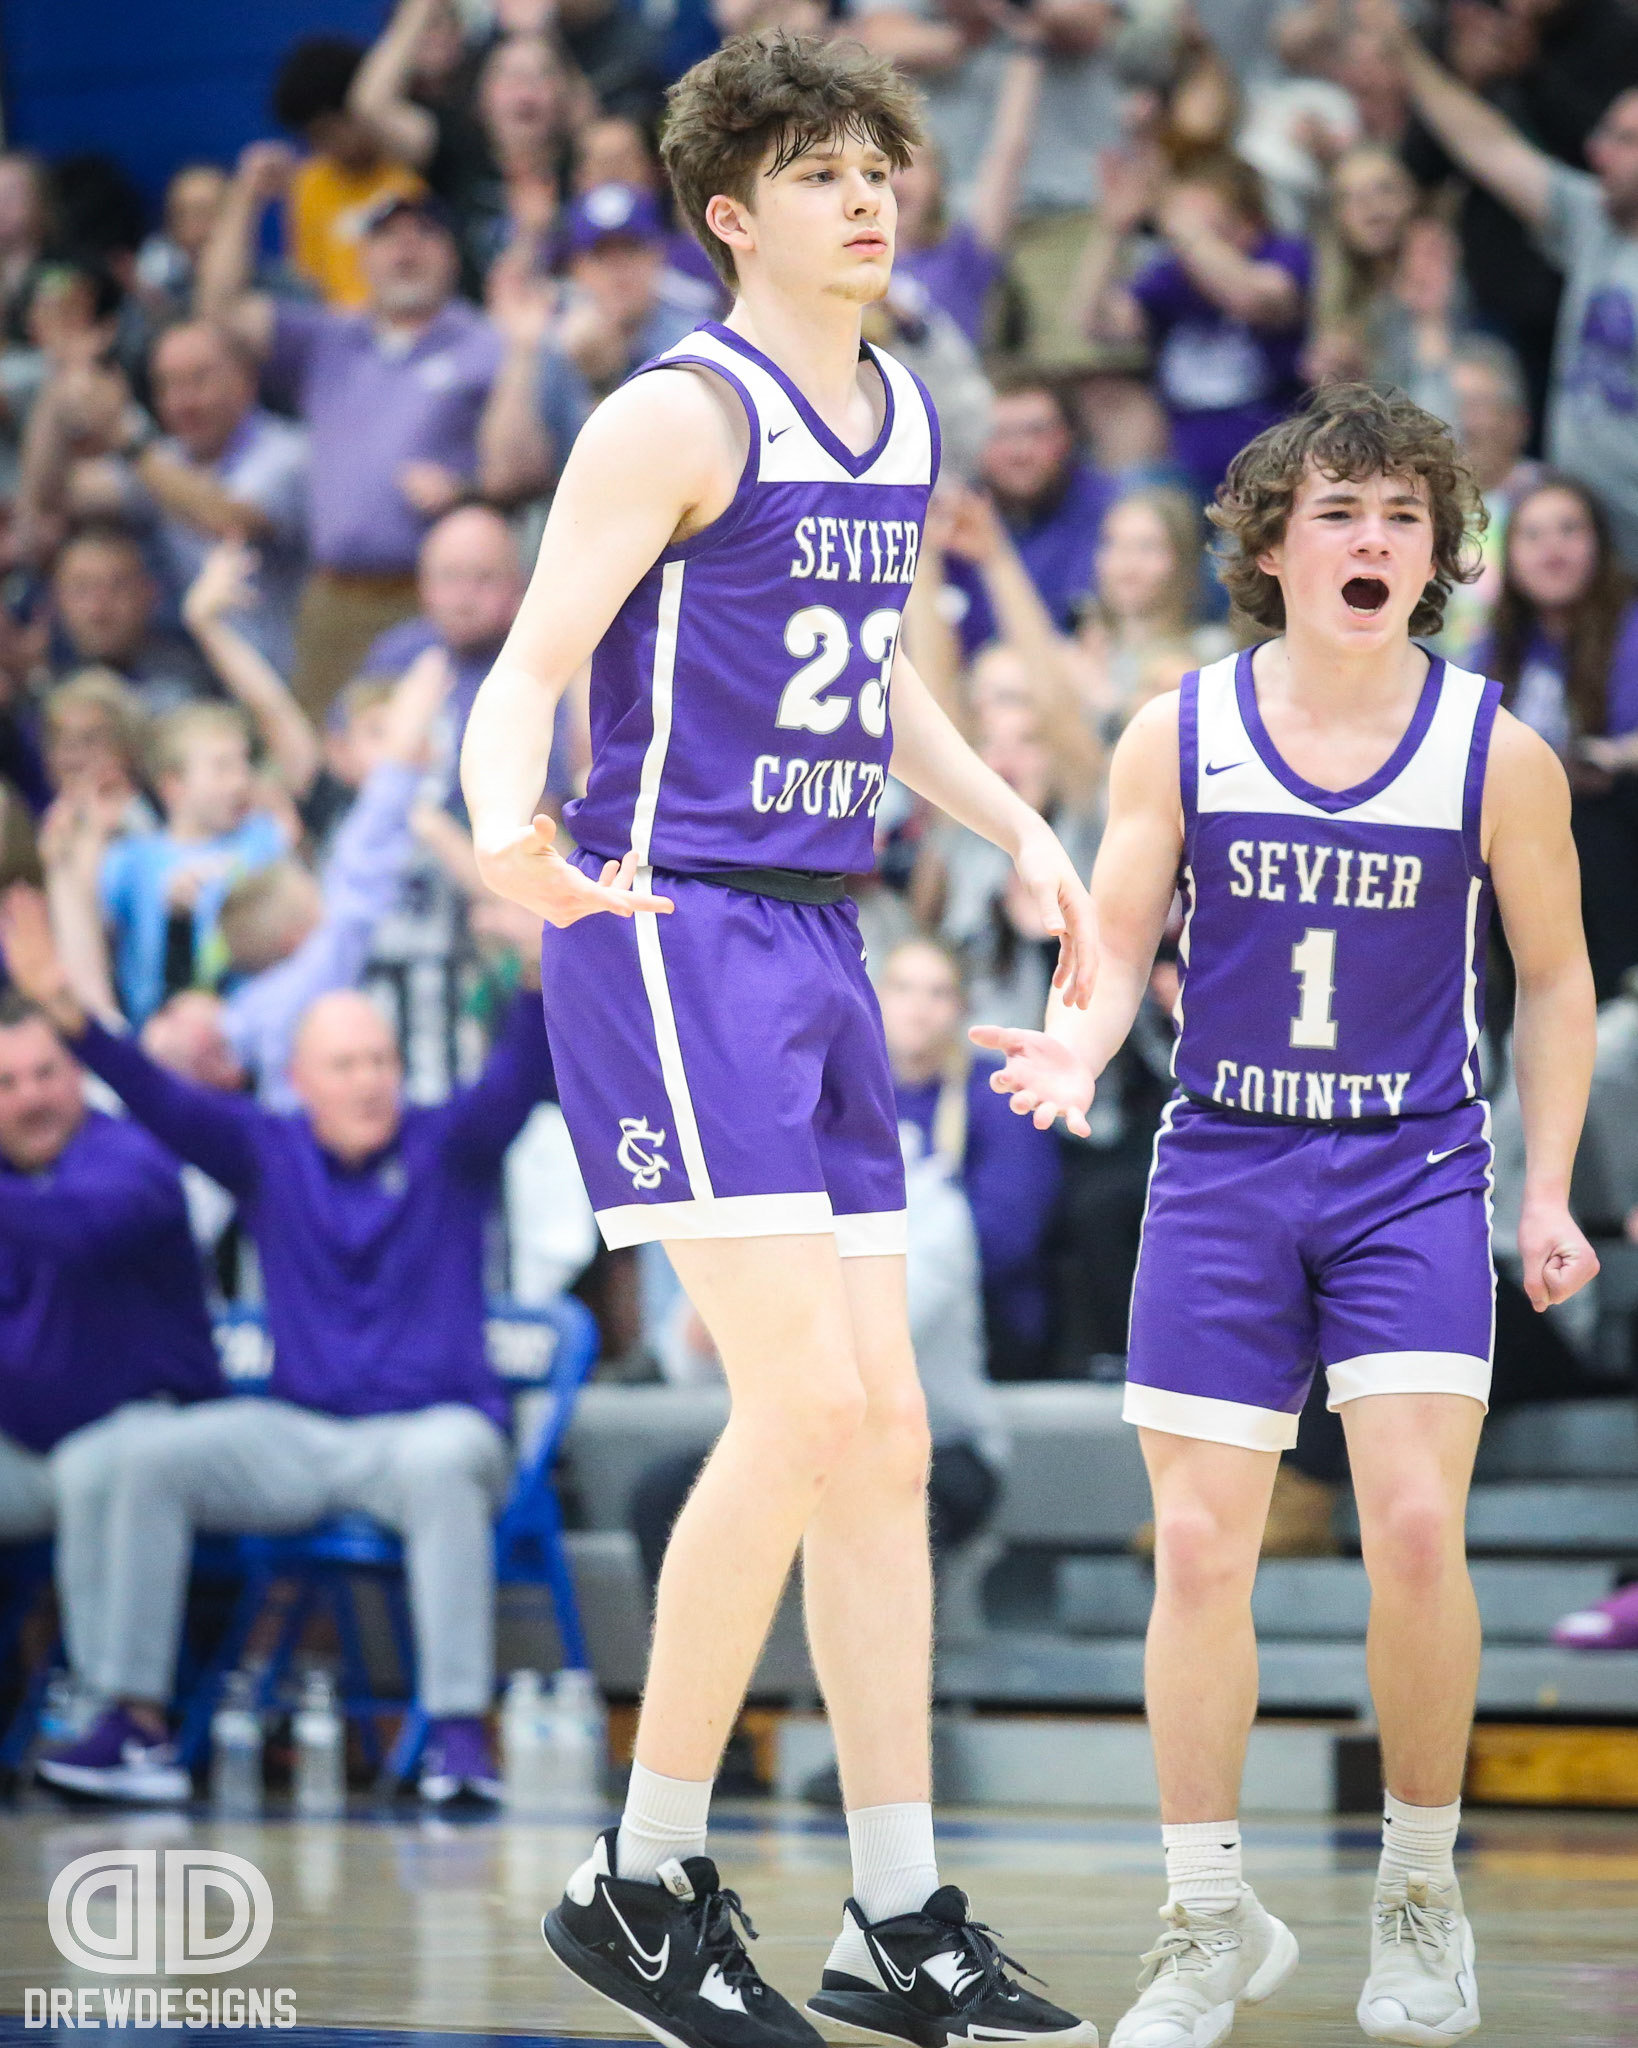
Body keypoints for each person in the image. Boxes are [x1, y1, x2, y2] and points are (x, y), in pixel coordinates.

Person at [459, 31, 1097, 2048]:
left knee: (886, 1437)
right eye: (820, 173)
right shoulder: (675, 411)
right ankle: (637, 1876)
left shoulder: (899, 411)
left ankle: (896, 1919)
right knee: (807, 1407)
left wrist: (1015, 823)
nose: (867, 196)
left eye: (876, 166)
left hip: (823, 925)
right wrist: (509, 834)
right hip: (670, 927)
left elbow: (874, 672)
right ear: (732, 214)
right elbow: (527, 665)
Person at [975, 383, 1598, 2046]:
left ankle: (1417, 1889)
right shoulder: (1174, 732)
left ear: (1436, 551)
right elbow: (1113, 942)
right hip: (1224, 1166)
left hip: (1408, 1167)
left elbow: (1554, 978)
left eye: (1402, 515)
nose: (1372, 539)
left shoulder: (1494, 751)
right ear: (1269, 547)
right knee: (1193, 1547)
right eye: (1339, 512)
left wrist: (1544, 1186)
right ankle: (1201, 1919)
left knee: (1414, 1528)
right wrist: (1073, 1048)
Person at [0, 885, 556, 1808]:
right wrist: (67, 1013)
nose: (368, 1080)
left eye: (380, 1060)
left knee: (445, 1459)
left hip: (428, 1431)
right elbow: (156, 1096)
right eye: (344, 1064)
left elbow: (518, 1077)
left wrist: (536, 970)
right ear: (299, 1081)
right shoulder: (266, 1151)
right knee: (141, 1459)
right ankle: (134, 1724)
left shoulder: (449, 1145)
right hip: (298, 1437)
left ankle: (457, 1735)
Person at [0, 990, 223, 1802]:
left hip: (152, 1423)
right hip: (31, 1446)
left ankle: (131, 1725)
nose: (30, 1097)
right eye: (7, 1083)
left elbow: (73, 1233)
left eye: (45, 1074)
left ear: (78, 1078)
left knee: (110, 1462)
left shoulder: (134, 1158)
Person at [198, 166, 511, 716]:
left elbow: (532, 468)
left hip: (435, 603)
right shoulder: (328, 338)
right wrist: (245, 197)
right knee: (318, 750)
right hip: (334, 598)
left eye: (424, 233)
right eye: (386, 236)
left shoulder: (487, 344)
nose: (405, 249)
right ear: (362, 257)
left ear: (451, 253)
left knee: (427, 747)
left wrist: (468, 491)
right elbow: (220, 313)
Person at [1373, 2, 1638, 566]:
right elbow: (1487, 146)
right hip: (1586, 538)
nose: (1597, 151)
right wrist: (1403, 50)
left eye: (1624, 139)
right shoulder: (1596, 223)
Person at [1477, 471, 1638, 998]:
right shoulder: (1500, 641)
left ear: (1599, 542)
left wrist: (1611, 756)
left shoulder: (1630, 621)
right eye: (1533, 534)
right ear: (1511, 555)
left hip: (1610, 817)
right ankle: (1502, 1011)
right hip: (1525, 822)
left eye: (1569, 530)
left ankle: (1613, 997)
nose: (1553, 549)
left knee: (1580, 808)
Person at [1078, 149, 1312, 503]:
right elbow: (1095, 322)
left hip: (1276, 466)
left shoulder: (1283, 253)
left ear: (1244, 217)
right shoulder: (1174, 275)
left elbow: (1252, 300)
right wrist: (1112, 230)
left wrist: (1175, 220)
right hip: (1187, 470)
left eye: (1201, 217)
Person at [98, 702, 287, 1028]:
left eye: (244, 765)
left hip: (255, 1019)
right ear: (174, 785)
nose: (240, 781)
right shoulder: (129, 860)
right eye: (222, 768)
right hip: (161, 1028)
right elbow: (100, 943)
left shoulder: (264, 838)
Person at [272, 35, 428, 311]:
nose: (327, 147)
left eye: (331, 131)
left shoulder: (414, 165)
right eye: (314, 137)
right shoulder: (309, 184)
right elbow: (309, 281)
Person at [46, 523, 214, 714]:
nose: (98, 609)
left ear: (149, 595)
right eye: (81, 590)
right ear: (55, 599)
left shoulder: (186, 686)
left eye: (117, 588)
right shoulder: (36, 687)